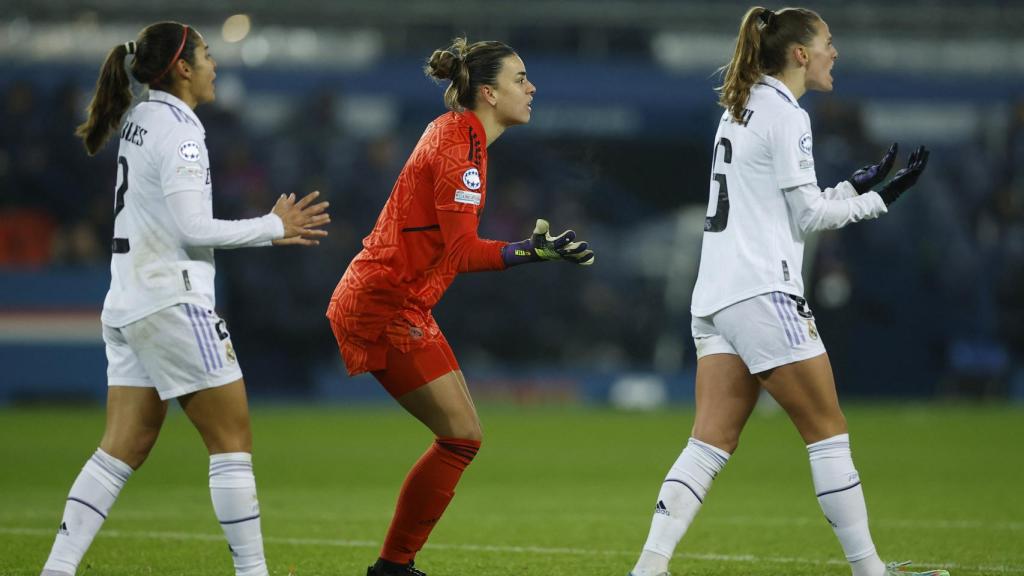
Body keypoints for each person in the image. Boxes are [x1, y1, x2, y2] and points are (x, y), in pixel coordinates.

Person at [627, 7, 945, 576]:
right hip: (761, 292)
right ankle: (871, 571)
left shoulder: (740, 108)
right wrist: (881, 198)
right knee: (827, 431)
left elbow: (776, 209)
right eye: (828, 42)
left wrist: (851, 182)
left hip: (716, 298)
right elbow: (811, 213)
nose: (834, 53)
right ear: (800, 53)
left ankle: (649, 568)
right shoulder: (787, 114)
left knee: (710, 440)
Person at [39, 21, 329, 576]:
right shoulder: (182, 132)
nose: (216, 66)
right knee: (232, 440)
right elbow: (193, 226)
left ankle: (58, 568)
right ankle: (253, 572)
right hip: (172, 301)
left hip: (127, 302)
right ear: (183, 68)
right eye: (208, 55)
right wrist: (272, 225)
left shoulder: (139, 120)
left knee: (123, 446)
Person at [326, 37, 594, 576]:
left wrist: (526, 249)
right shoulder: (460, 143)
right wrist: (528, 250)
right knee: (462, 436)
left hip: (402, 300)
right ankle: (392, 568)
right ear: (489, 93)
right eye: (521, 78)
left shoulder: (459, 134)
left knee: (463, 435)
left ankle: (393, 568)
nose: (531, 87)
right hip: (383, 302)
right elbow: (461, 251)